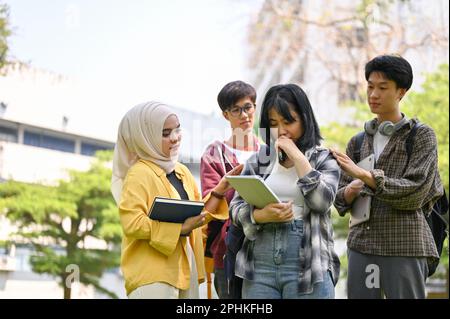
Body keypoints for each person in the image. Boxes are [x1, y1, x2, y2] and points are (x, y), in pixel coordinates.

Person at [332, 54, 444, 299]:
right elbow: (339, 199)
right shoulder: (358, 141)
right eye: (370, 86)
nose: (373, 94)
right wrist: (349, 191)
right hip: (361, 246)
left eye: (382, 88)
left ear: (401, 92)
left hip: (404, 246)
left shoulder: (421, 135)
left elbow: (414, 193)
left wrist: (365, 176)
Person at [111, 101, 243, 299]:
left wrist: (218, 191)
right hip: (152, 275)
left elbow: (196, 216)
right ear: (145, 137)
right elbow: (132, 223)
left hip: (184, 270)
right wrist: (179, 229)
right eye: (165, 133)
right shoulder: (139, 173)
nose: (175, 138)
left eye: (177, 129)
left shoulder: (181, 171)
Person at [229, 84, 340, 299]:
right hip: (258, 265)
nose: (281, 131)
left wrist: (297, 156)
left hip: (308, 264)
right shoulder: (260, 160)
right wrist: (259, 216)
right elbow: (235, 207)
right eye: (273, 123)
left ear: (305, 119)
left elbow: (322, 202)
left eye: (288, 122)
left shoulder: (324, 159)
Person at [200, 80, 260, 299]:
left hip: (265, 251)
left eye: (248, 107)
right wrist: (224, 184)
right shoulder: (215, 154)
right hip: (228, 252)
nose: (244, 115)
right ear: (226, 115)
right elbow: (208, 208)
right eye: (236, 110)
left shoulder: (268, 151)